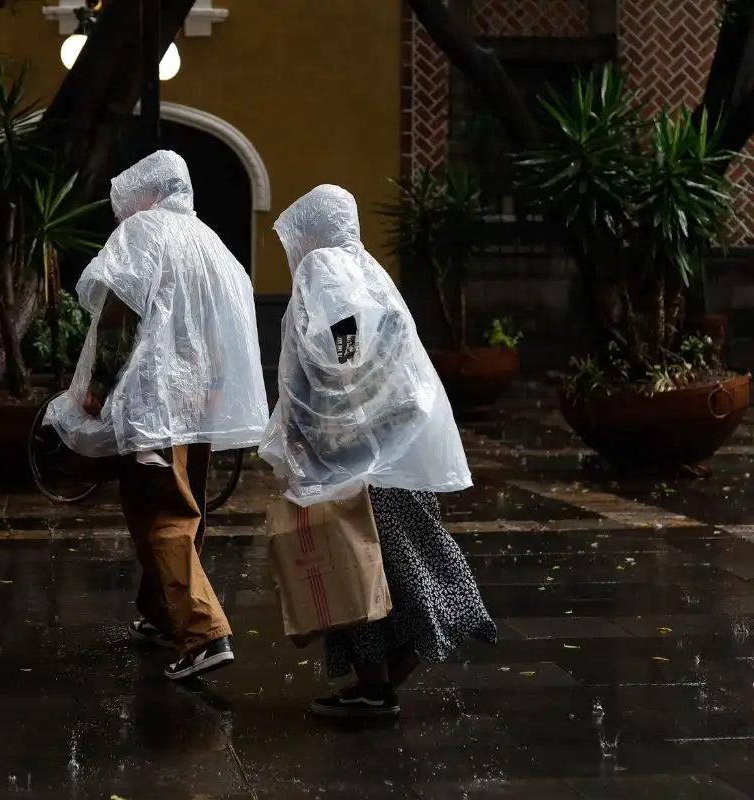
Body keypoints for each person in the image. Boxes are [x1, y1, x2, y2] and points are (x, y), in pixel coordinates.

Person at [260, 184, 497, 718]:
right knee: (411, 558)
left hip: (355, 457)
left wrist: (336, 388)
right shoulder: (369, 272)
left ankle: (375, 687)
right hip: (393, 449)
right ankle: (396, 669)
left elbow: (343, 341)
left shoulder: (326, 269)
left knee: (356, 567)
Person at [45, 150, 269, 681]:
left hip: (155, 401)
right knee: (181, 502)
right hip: (196, 401)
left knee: (162, 510)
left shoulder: (145, 232)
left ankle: (204, 633)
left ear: (147, 192)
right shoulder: (209, 243)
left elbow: (120, 311)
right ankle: (160, 611)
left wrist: (99, 382)